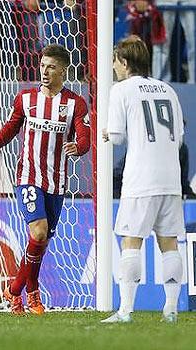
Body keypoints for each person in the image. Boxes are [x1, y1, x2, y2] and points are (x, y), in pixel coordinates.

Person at [0, 44, 91, 315]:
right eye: (43, 65)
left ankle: (25, 290)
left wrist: (78, 147)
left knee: (40, 243)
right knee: (39, 232)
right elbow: (12, 125)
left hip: (56, 182)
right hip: (28, 177)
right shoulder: (26, 98)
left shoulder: (75, 103)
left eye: (51, 67)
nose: (45, 71)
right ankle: (20, 291)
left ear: (63, 71)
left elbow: (85, 138)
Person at [102, 35, 185, 323]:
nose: (113, 66)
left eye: (114, 60)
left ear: (124, 62)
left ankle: (125, 311)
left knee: (131, 242)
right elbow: (178, 140)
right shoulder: (169, 90)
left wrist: (106, 133)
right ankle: (171, 310)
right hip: (171, 178)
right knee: (169, 243)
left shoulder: (121, 90)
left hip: (141, 178)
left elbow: (117, 136)